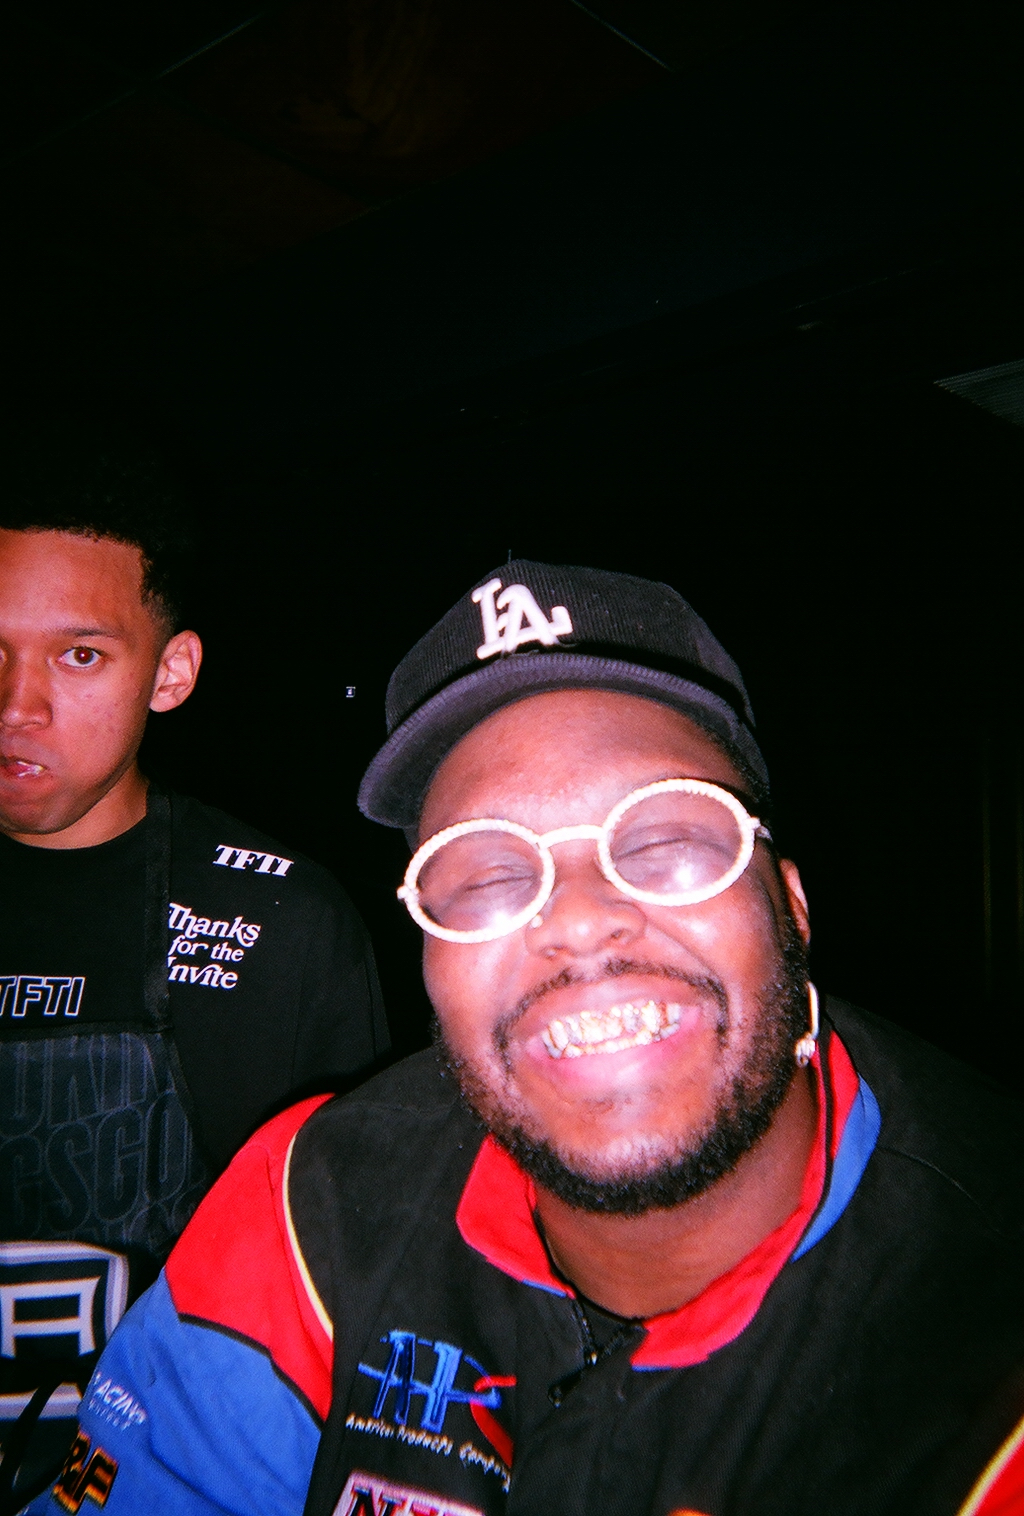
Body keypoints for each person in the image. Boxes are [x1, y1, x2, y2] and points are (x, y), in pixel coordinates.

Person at [24, 560, 1024, 1516]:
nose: (580, 919)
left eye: (666, 837)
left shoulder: (984, 1338)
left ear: (791, 907)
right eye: (490, 874)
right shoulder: (312, 1203)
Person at [0, 433, 389, 1504]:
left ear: (168, 674)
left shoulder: (282, 924)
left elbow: (357, 1288)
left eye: (80, 656)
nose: (18, 704)